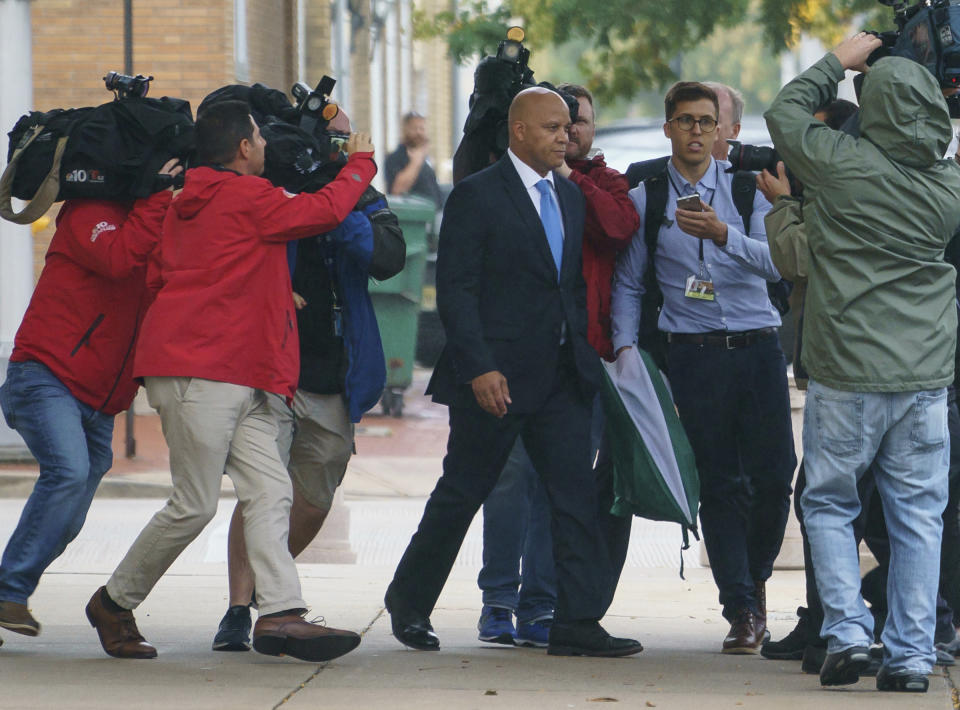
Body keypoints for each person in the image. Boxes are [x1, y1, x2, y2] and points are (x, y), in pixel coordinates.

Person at [85, 100, 378, 663]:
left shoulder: (185, 203)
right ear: (243, 148)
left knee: (270, 491)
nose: (266, 148)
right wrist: (359, 163)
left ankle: (281, 615)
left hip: (229, 371)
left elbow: (177, 274)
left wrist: (265, 294)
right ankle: (113, 601)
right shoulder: (246, 196)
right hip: (205, 371)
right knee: (193, 505)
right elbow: (322, 211)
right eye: (259, 140)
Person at [384, 86, 642, 658]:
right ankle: (409, 604)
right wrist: (479, 368)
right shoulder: (478, 196)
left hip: (562, 378)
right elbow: (457, 290)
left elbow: (568, 288)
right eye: (553, 127)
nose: (565, 136)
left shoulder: (571, 197)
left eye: (568, 127)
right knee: (462, 492)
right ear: (520, 132)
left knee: (574, 501)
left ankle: (576, 622)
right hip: (495, 381)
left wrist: (584, 355)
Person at [765, 33, 960, 691]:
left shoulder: (839, 163)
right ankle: (909, 657)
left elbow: (785, 114)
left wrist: (840, 62)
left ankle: (846, 635)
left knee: (827, 504)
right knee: (917, 518)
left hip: (847, 371)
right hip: (925, 379)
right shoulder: (949, 185)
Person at [211, 108, 406, 652]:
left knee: (313, 499)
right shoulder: (260, 191)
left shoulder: (356, 190)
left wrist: (337, 198)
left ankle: (265, 596)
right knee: (261, 495)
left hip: (332, 373)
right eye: (335, 138)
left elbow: (387, 257)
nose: (340, 145)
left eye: (344, 138)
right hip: (268, 368)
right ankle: (240, 607)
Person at [611, 81, 796, 654]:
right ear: (668, 128)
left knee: (773, 479)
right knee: (718, 485)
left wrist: (724, 235)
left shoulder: (747, 192)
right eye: (685, 121)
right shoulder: (650, 198)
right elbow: (628, 282)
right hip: (693, 356)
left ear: (721, 131)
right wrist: (622, 350)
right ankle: (740, 607)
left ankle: (757, 577)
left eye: (705, 122)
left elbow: (781, 262)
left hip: (758, 347)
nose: (696, 131)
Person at [474, 83, 638, 648]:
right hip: (519, 360)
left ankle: (541, 605)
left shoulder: (602, 183)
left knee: (560, 490)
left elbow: (617, 227)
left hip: (580, 361)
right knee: (508, 481)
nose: (569, 133)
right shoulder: (510, 184)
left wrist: (569, 176)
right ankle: (498, 599)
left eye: (579, 124)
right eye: (559, 124)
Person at [0, 159, 181, 647]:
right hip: (45, 374)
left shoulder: (152, 225)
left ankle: (7, 591)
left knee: (70, 514)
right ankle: (8, 592)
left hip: (100, 396)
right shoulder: (88, 213)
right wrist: (158, 198)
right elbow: (120, 257)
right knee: (69, 473)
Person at [385, 112, 443, 208]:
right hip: (413, 217)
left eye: (422, 128)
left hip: (434, 213)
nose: (419, 132)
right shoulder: (394, 158)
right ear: (405, 130)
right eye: (414, 128)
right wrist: (416, 162)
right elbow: (397, 191)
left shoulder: (425, 158)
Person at [704, 82, 744, 162]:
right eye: (687, 120)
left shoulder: (748, 174)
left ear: (735, 131)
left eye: (708, 121)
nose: (696, 129)